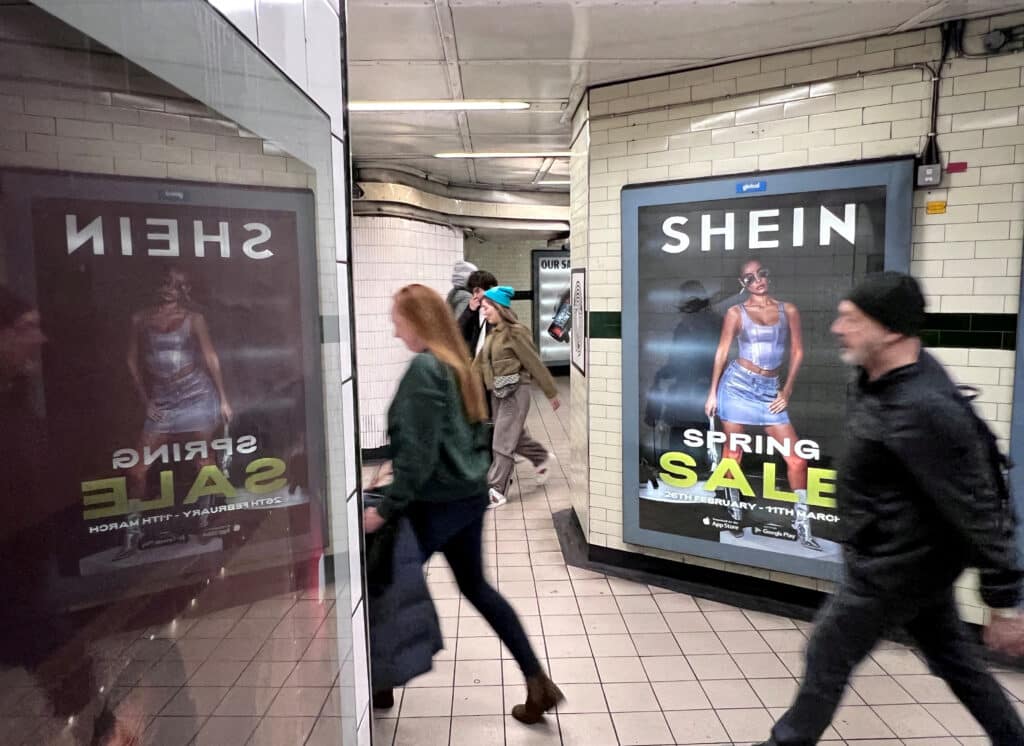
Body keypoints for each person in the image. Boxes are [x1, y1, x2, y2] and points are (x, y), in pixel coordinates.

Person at [757, 272, 1024, 746]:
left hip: (891, 569)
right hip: (911, 559)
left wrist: (1003, 601)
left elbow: (979, 502)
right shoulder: (875, 378)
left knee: (827, 652)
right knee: (955, 662)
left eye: (853, 320)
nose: (839, 329)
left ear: (893, 330)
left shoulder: (924, 407)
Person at [363, 284, 563, 724]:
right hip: (467, 497)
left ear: (417, 322)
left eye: (397, 322)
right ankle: (537, 682)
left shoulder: (423, 368)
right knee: (477, 588)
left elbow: (417, 454)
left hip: (433, 503)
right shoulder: (459, 365)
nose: (396, 332)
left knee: (381, 583)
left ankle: (379, 680)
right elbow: (474, 435)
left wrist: (385, 506)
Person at [704, 259, 817, 549]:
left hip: (770, 389)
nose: (758, 281)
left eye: (762, 274)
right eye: (750, 278)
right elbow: (721, 351)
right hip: (738, 385)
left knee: (796, 459)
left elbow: (798, 350)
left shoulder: (787, 309)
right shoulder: (735, 312)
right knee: (734, 453)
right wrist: (713, 392)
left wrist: (787, 390)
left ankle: (802, 524)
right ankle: (734, 512)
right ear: (743, 283)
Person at [119, 267, 232, 558]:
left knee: (202, 460)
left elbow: (210, 356)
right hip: (163, 399)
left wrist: (222, 399)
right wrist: (146, 401)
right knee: (137, 468)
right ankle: (133, 533)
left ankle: (205, 520)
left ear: (185, 289)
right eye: (165, 282)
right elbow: (131, 361)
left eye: (176, 284)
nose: (169, 288)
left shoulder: (194, 319)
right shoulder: (140, 319)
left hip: (196, 394)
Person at [474, 286, 560, 508]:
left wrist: (550, 392)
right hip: (498, 393)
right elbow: (479, 364)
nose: (484, 312)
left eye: (486, 307)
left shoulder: (516, 332)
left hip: (516, 393)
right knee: (514, 436)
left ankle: (496, 490)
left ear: (498, 307)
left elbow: (533, 362)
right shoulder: (493, 335)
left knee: (502, 440)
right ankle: (540, 457)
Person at [458, 269, 498, 359]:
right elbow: (457, 333)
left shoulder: (500, 313)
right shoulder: (475, 311)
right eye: (473, 292)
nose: (475, 296)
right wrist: (469, 311)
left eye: (477, 291)